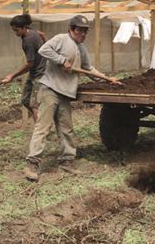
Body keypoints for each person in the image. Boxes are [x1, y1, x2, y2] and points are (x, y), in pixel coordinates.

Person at [23, 15, 120, 181]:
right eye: (80, 30)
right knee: (43, 127)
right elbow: (43, 50)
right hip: (50, 89)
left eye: (85, 31)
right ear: (71, 29)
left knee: (66, 129)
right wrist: (61, 60)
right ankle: (33, 163)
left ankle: (66, 161)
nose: (82, 34)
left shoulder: (80, 48)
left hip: (66, 94)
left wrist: (107, 79)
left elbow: (88, 68)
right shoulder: (61, 39)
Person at [1, 14, 46, 122]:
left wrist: (12, 76)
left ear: (23, 27)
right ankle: (42, 119)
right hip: (34, 72)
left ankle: (40, 132)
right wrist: (46, 47)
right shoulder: (31, 31)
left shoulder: (28, 41)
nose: (16, 33)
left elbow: (29, 64)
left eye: (17, 30)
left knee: (34, 104)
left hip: (40, 74)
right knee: (25, 100)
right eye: (14, 30)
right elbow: (42, 34)